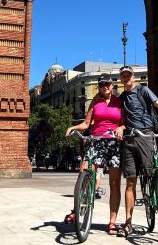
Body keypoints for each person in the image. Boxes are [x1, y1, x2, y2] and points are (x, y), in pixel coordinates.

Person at [114, 65, 158, 238]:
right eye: (123, 76)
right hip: (129, 139)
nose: (126, 78)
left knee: (155, 176)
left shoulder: (143, 90)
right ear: (121, 79)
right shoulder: (122, 97)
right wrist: (121, 127)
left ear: (134, 77)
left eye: (128, 75)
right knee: (131, 182)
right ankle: (128, 223)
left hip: (146, 136)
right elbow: (123, 119)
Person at [64, 73, 122, 235]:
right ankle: (77, 208)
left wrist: (121, 128)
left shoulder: (119, 103)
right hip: (96, 141)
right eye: (102, 84)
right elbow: (86, 123)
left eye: (108, 84)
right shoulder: (95, 103)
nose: (105, 87)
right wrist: (73, 128)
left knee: (114, 184)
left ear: (112, 86)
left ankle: (112, 222)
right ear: (99, 87)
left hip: (114, 143)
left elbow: (123, 124)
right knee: (84, 171)